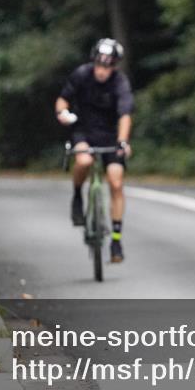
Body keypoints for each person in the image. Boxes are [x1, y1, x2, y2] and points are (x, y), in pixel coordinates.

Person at [55, 38, 134, 263]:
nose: (102, 71)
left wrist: (122, 141)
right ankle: (78, 195)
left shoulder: (120, 83)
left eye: (107, 66)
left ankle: (116, 240)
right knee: (84, 162)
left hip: (110, 134)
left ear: (114, 66)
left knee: (116, 182)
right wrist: (63, 114)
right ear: (94, 62)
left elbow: (125, 115)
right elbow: (62, 101)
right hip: (84, 131)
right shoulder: (82, 75)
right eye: (99, 65)